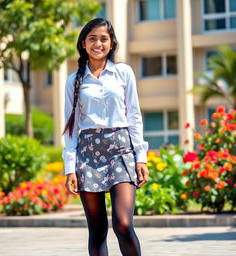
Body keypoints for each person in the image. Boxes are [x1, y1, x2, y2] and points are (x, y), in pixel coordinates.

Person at [62, 18, 149, 256]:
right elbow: (71, 127)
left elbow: (134, 116)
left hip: (121, 152)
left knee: (123, 224)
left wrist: (140, 158)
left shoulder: (123, 73)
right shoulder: (74, 80)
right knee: (97, 229)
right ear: (83, 43)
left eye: (103, 39)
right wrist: (70, 168)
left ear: (111, 44)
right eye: (92, 38)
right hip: (87, 154)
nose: (98, 43)